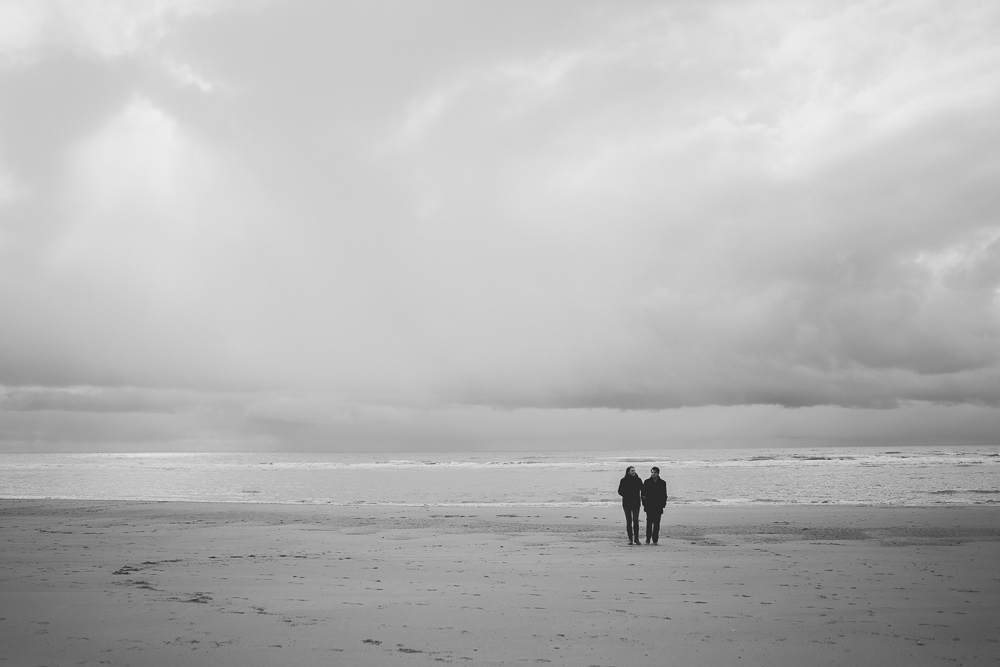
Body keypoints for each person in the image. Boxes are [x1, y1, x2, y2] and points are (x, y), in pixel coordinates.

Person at [641, 467, 668, 545]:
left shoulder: (662, 483)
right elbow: (643, 494)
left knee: (657, 523)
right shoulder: (647, 482)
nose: (653, 474)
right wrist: (644, 504)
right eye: (652, 472)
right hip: (649, 505)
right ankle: (648, 538)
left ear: (658, 473)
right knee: (649, 522)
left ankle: (655, 539)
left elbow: (664, 495)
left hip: (658, 505)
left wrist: (663, 504)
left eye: (655, 472)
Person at [617, 466, 643, 545]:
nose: (633, 472)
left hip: (636, 503)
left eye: (634, 470)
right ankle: (630, 539)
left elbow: (643, 488)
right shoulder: (623, 480)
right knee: (629, 521)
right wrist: (627, 494)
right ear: (628, 472)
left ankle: (636, 539)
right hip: (626, 503)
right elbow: (620, 491)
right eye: (632, 470)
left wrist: (643, 497)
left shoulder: (638, 480)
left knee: (635, 520)